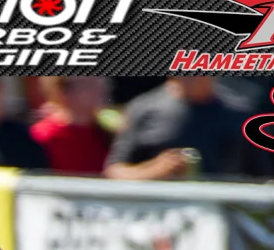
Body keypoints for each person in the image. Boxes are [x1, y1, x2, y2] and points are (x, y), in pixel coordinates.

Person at [104, 77, 244, 179]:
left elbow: (254, 176)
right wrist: (155, 170)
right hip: (157, 206)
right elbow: (115, 171)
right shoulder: (142, 109)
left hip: (221, 206)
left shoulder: (238, 115)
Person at [31, 76, 112, 175]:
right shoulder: (43, 136)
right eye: (88, 85)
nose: (100, 90)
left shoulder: (109, 131)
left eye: (101, 83)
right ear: (62, 92)